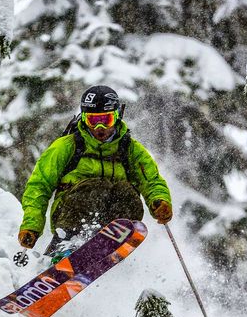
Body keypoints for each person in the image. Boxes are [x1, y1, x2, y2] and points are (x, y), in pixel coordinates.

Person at [18, 85, 173, 261]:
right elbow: (39, 185)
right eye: (93, 120)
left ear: (117, 117)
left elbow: (151, 181)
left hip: (112, 217)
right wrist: (32, 225)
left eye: (105, 120)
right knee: (96, 186)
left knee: (126, 192)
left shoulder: (130, 150)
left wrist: (159, 202)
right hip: (72, 213)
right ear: (84, 119)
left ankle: (111, 244)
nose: (99, 127)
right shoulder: (67, 146)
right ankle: (66, 245)